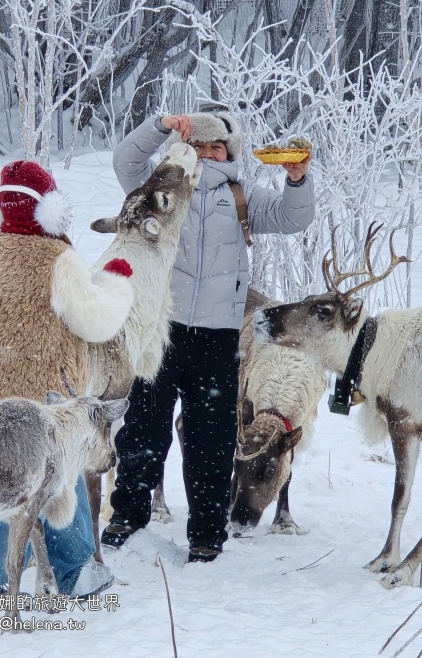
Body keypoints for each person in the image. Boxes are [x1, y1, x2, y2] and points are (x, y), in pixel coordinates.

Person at [101, 112, 314, 562]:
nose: (206, 154)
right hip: (163, 328)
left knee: (212, 441)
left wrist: (298, 180)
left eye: (215, 147)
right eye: (198, 145)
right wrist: (160, 126)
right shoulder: (162, 189)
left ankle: (206, 535)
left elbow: (294, 218)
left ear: (229, 152)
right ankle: (127, 519)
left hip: (219, 336)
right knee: (143, 430)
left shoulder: (243, 197)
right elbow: (125, 162)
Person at [0, 159, 135, 601]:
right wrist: (117, 286)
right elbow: (93, 321)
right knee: (60, 477)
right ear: (47, 208)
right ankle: (78, 575)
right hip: (50, 394)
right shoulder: (58, 258)